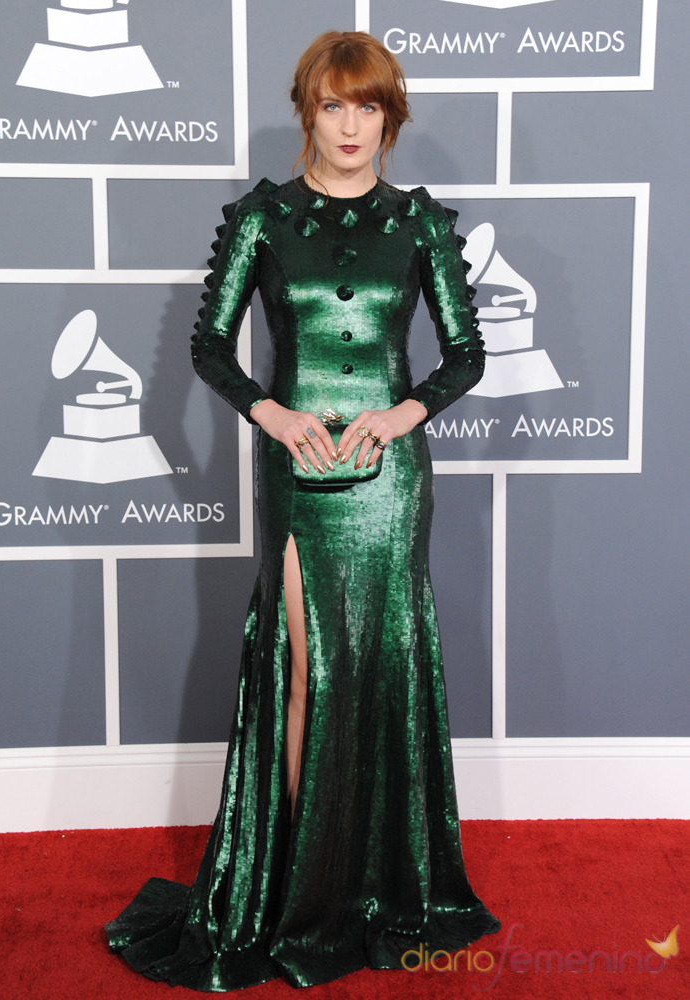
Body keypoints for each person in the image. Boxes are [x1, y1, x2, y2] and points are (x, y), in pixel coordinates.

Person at [105, 29, 500, 991]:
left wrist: (400, 414)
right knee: (305, 673)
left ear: (389, 118)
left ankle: (378, 881)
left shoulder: (419, 224)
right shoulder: (261, 220)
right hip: (297, 469)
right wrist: (270, 412)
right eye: (334, 105)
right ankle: (302, 893)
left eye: (369, 106)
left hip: (388, 474)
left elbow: (463, 355)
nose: (351, 124)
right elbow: (208, 348)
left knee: (381, 670)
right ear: (307, 111)